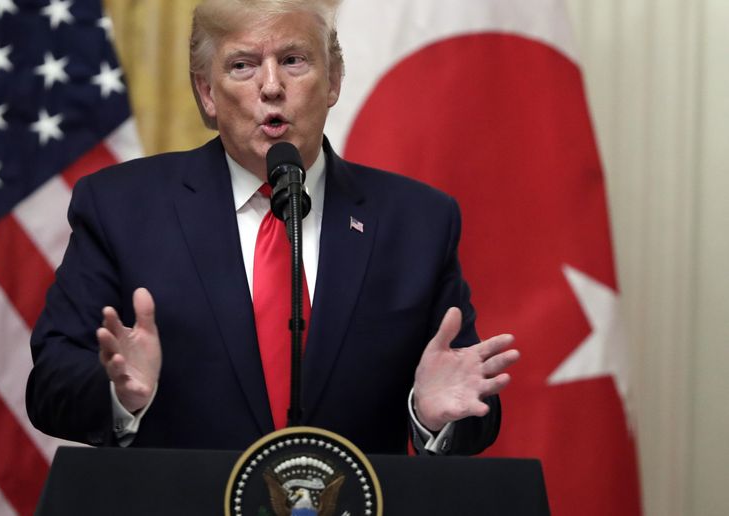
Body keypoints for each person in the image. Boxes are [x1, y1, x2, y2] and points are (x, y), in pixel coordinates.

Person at [26, 0, 519, 455]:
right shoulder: (121, 207)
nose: (270, 86)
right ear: (207, 92)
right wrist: (117, 394)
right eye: (242, 65)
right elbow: (50, 385)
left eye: (293, 60)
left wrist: (432, 416)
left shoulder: (417, 222)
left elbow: (465, 394)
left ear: (333, 80)